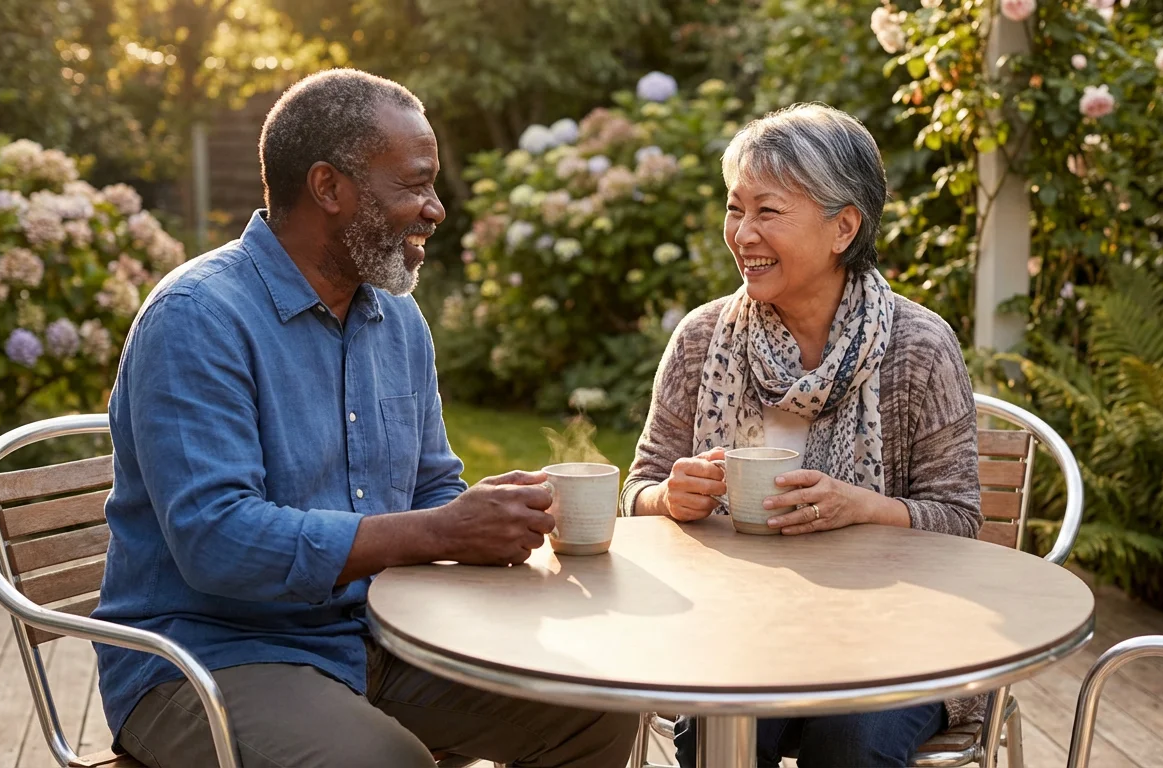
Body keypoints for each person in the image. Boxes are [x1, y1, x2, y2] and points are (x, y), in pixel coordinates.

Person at [92, 69, 637, 768]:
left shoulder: (396, 317)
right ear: (330, 188)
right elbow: (217, 540)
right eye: (414, 184)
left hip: (377, 637)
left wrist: (483, 517)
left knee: (591, 709)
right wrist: (437, 529)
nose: (435, 209)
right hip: (207, 659)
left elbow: (431, 485)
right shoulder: (199, 317)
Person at [619, 103, 983, 767]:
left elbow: (960, 521)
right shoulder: (703, 338)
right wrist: (669, 498)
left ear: (843, 226)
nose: (743, 233)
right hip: (737, 629)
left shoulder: (920, 346)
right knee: (718, 732)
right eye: (736, 209)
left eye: (768, 211)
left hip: (894, 637)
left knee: (851, 741)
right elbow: (639, 489)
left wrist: (861, 508)